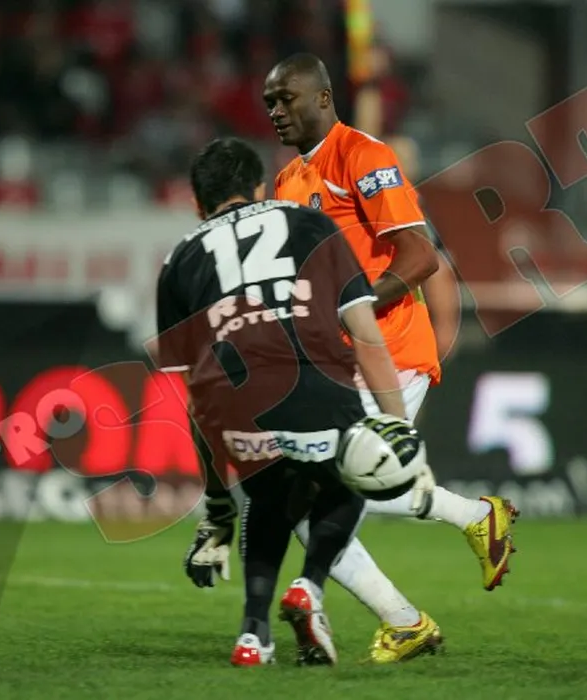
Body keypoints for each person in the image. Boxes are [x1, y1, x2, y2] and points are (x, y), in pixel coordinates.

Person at [262, 53, 519, 662]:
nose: (275, 111)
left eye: (285, 98)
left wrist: (352, 308)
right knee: (318, 494)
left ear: (323, 98)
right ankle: (417, 601)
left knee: (338, 484)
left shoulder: (365, 157)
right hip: (334, 361)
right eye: (268, 102)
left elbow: (419, 256)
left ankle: (382, 608)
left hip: (390, 349)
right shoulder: (288, 180)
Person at [154, 137, 424, 667]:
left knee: (269, 497)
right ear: (260, 188)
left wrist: (217, 505)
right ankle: (309, 585)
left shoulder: (178, 259)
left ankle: (253, 636)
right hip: (315, 380)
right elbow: (364, 333)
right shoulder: (310, 223)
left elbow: (195, 402)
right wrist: (396, 426)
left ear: (197, 204)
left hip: (234, 403)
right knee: (348, 478)